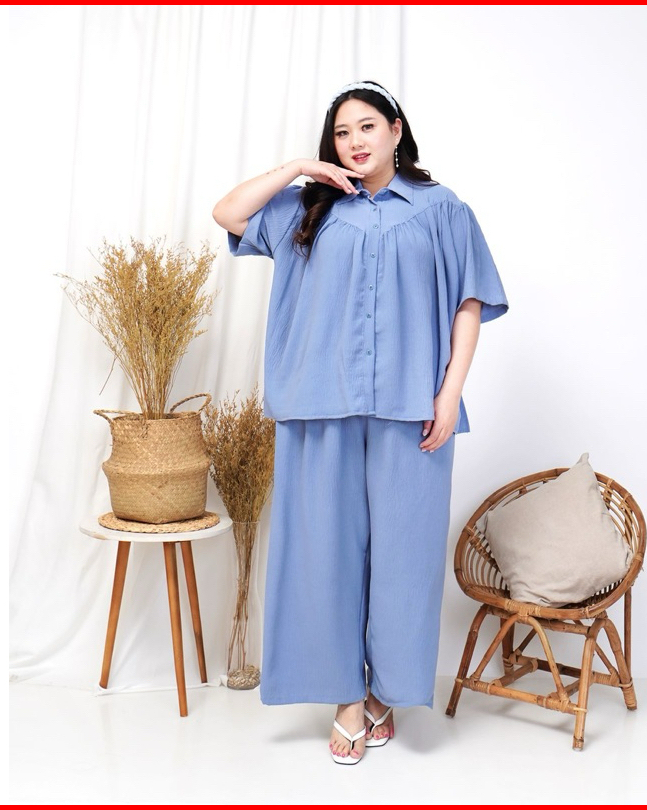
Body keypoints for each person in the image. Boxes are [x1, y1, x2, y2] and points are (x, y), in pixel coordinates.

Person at [212, 80, 509, 765]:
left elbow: (469, 302)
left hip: (413, 409)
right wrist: (298, 168)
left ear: (396, 130)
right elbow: (227, 212)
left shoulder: (441, 209)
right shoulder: (305, 208)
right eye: (342, 132)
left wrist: (449, 393)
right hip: (318, 403)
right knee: (322, 556)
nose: (355, 141)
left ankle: (386, 692)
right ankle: (346, 696)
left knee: (405, 558)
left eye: (367, 126)